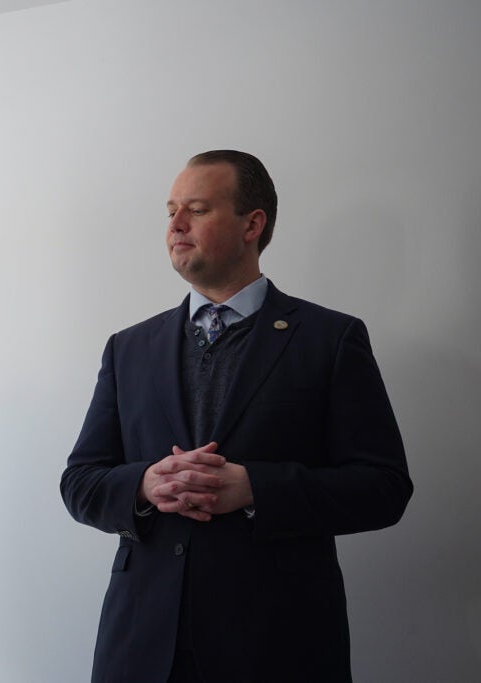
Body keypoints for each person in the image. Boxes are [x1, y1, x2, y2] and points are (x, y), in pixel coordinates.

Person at [60, 150, 412, 683]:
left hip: (279, 645)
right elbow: (80, 482)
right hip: (143, 648)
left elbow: (384, 487)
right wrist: (145, 485)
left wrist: (256, 489)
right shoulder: (129, 348)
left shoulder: (330, 340)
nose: (175, 225)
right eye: (171, 210)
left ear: (252, 224)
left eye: (197, 209)